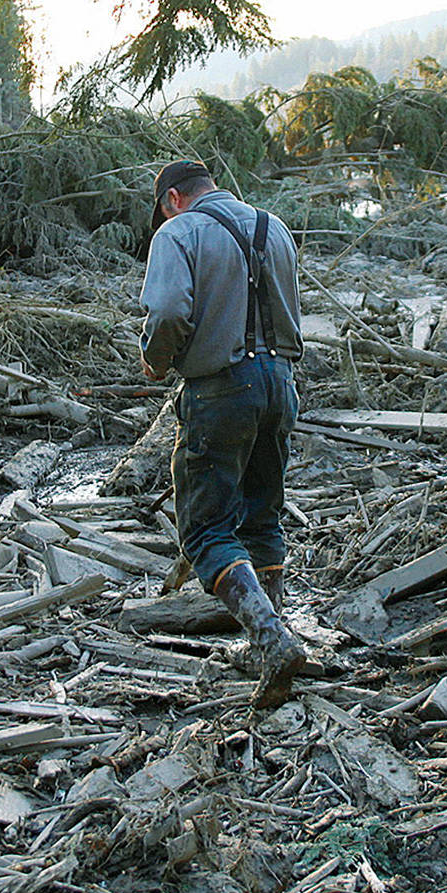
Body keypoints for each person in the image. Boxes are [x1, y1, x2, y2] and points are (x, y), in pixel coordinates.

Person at [139, 159, 308, 705]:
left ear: (172, 199)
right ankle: (271, 630)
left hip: (220, 391)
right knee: (262, 515)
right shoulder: (273, 226)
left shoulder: (178, 232)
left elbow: (168, 311)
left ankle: (271, 639)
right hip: (280, 384)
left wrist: (156, 359)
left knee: (206, 530)